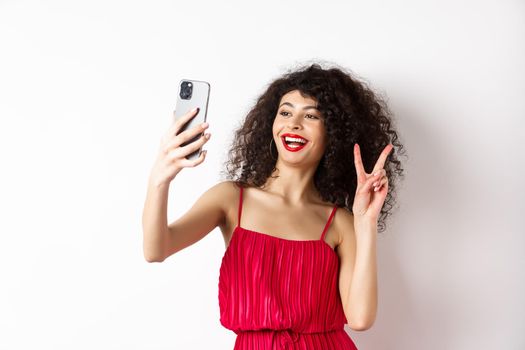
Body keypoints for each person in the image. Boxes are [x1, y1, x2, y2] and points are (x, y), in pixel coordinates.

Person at [142, 62, 406, 349]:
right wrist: (160, 179)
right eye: (285, 112)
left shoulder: (340, 222)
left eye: (311, 116)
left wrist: (365, 223)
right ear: (271, 123)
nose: (294, 123)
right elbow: (156, 249)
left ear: (333, 133)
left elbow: (360, 319)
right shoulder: (231, 199)